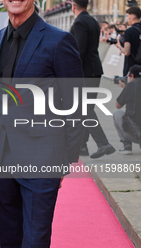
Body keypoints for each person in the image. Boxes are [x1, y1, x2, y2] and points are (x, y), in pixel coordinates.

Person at [0, 0, 85, 248]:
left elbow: (76, 104)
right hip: (1, 158)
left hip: (42, 158)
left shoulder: (59, 41)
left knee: (35, 242)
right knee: (9, 240)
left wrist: (65, 159)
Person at [70, 0, 115, 159]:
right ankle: (83, 146)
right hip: (94, 69)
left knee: (84, 109)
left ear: (74, 6)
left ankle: (103, 143)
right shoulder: (92, 20)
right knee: (86, 108)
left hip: (85, 71)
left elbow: (79, 50)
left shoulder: (80, 22)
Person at [114, 64, 141, 154]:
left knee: (117, 114)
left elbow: (118, 105)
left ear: (132, 75)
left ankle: (127, 147)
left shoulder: (130, 86)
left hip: (135, 133)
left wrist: (126, 88)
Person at [116, 6, 141, 76]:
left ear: (133, 17)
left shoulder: (129, 31)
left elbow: (127, 52)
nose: (127, 19)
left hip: (132, 68)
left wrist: (119, 46)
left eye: (127, 16)